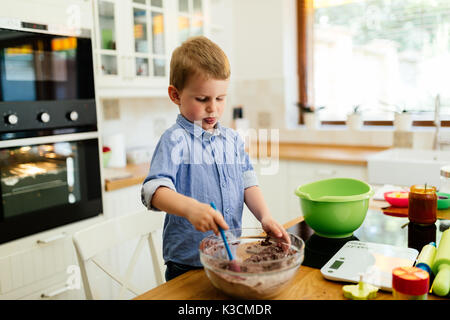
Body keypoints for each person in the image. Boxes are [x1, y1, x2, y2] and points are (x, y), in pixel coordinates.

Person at [141, 36, 290, 281]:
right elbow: (152, 191)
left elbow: (247, 181)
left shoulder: (231, 139)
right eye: (202, 99)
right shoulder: (174, 140)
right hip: (187, 265)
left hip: (229, 257)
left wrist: (265, 216)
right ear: (175, 95)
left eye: (220, 98)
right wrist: (190, 209)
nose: (213, 108)